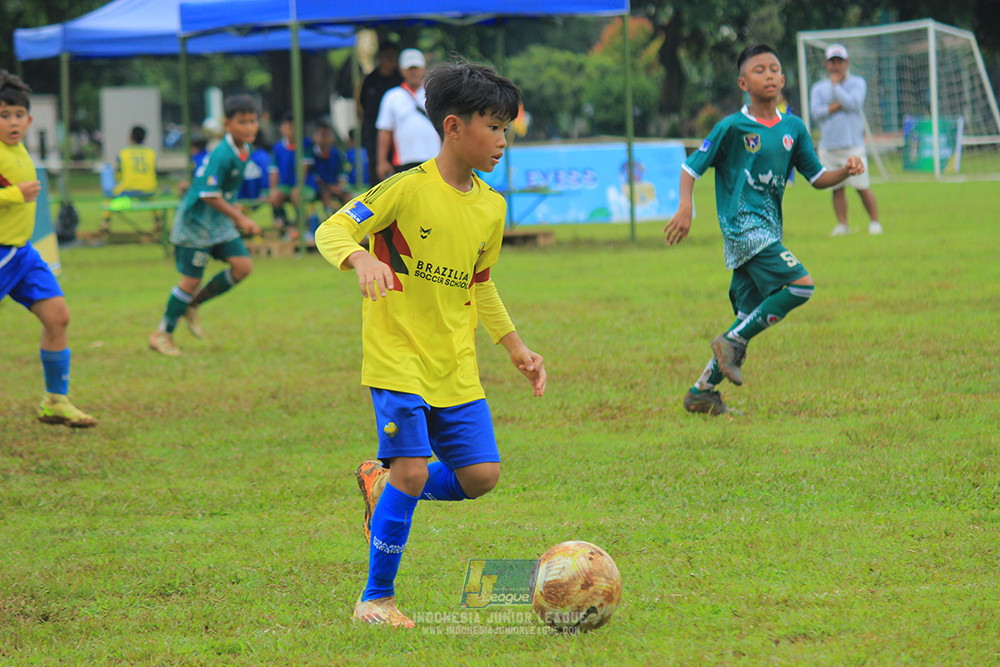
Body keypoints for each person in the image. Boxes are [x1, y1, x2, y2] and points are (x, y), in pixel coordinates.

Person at [315, 60, 546, 628]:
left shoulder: (492, 206)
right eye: (492, 127)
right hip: (397, 358)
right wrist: (362, 257)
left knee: (480, 478)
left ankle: (383, 480)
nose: (502, 140)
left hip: (455, 363)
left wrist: (515, 347)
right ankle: (375, 599)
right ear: (452, 127)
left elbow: (480, 284)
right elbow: (331, 229)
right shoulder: (405, 188)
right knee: (415, 471)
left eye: (506, 129)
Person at [664, 45, 865, 416]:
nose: (769, 75)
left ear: (784, 80)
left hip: (769, 231)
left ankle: (702, 392)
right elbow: (691, 167)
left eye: (775, 69)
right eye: (759, 70)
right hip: (744, 230)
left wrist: (846, 171)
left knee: (750, 312)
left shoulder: (794, 128)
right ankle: (730, 342)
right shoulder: (731, 127)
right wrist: (685, 208)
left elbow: (818, 177)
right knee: (801, 285)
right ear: (743, 82)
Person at [0, 70, 97, 427]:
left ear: (30, 119)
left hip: (22, 254)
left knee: (58, 317)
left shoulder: (19, 145)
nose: (12, 122)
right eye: (3, 115)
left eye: (18, 115)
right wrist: (14, 195)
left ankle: (55, 400)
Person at [148, 94, 262, 356]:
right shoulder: (222, 153)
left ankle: (192, 304)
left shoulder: (244, 150)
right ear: (227, 124)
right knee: (190, 280)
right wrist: (240, 217)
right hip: (196, 226)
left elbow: (221, 190)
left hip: (218, 224)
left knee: (243, 266)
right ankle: (161, 334)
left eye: (253, 121)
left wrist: (234, 207)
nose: (249, 127)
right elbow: (208, 194)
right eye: (242, 122)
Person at [809, 43, 882, 236]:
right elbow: (816, 113)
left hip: (853, 146)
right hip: (829, 146)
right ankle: (843, 224)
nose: (836, 66)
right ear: (826, 64)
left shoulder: (857, 82)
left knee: (861, 186)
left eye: (839, 62)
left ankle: (875, 222)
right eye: (832, 62)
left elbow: (853, 104)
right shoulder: (817, 88)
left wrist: (835, 87)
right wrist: (836, 105)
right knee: (837, 188)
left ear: (846, 63)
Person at [375, 49, 441, 182]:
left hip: (435, 160)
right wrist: (381, 161)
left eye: (416, 68)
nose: (413, 72)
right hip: (404, 161)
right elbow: (385, 131)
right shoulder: (392, 96)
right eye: (409, 68)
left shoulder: (435, 94)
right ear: (402, 70)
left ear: (423, 68)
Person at [358, 41, 402, 186]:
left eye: (392, 57)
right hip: (374, 133)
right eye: (386, 57)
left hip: (397, 135)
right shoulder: (370, 80)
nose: (389, 60)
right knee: (377, 176)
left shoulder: (400, 80)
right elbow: (361, 105)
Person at [102, 124, 161, 232]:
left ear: (131, 137)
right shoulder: (151, 153)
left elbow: (119, 172)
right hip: (149, 188)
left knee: (108, 198)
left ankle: (105, 223)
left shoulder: (123, 153)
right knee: (153, 201)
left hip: (128, 188)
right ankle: (158, 221)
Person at [267, 111, 314, 239]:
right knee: (276, 196)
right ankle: (285, 226)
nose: (291, 130)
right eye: (288, 127)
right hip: (286, 186)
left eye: (294, 127)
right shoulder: (278, 148)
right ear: (282, 128)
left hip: (307, 186)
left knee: (296, 194)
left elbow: (304, 168)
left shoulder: (306, 145)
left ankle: (303, 226)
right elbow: (273, 170)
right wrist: (273, 189)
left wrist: (299, 186)